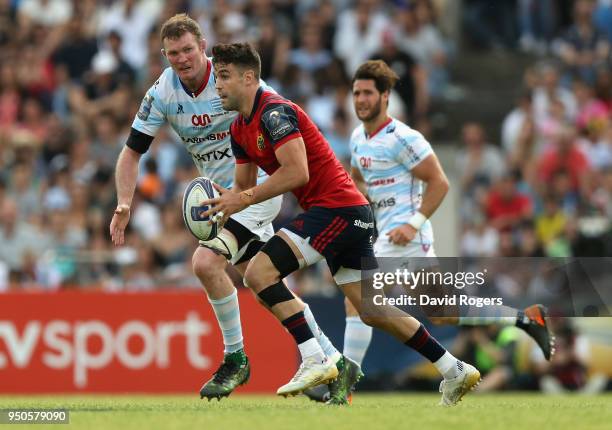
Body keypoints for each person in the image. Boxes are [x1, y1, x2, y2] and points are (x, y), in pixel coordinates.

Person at [203, 42, 481, 406]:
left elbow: (297, 171)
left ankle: (315, 357)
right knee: (373, 310)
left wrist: (242, 198)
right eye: (216, 77)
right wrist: (224, 202)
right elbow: (242, 186)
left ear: (249, 76)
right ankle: (453, 368)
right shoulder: (240, 128)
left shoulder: (274, 113)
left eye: (224, 76)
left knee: (258, 274)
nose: (217, 85)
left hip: (337, 210)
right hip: (348, 214)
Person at [109, 14, 342, 401]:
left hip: (251, 193)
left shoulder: (235, 79)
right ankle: (329, 360)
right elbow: (131, 152)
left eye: (188, 50)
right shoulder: (162, 92)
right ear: (164, 56)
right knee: (263, 283)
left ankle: (236, 359)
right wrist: (123, 202)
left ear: (203, 48)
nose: (182, 59)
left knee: (205, 263)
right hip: (220, 201)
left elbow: (276, 122)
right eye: (173, 54)